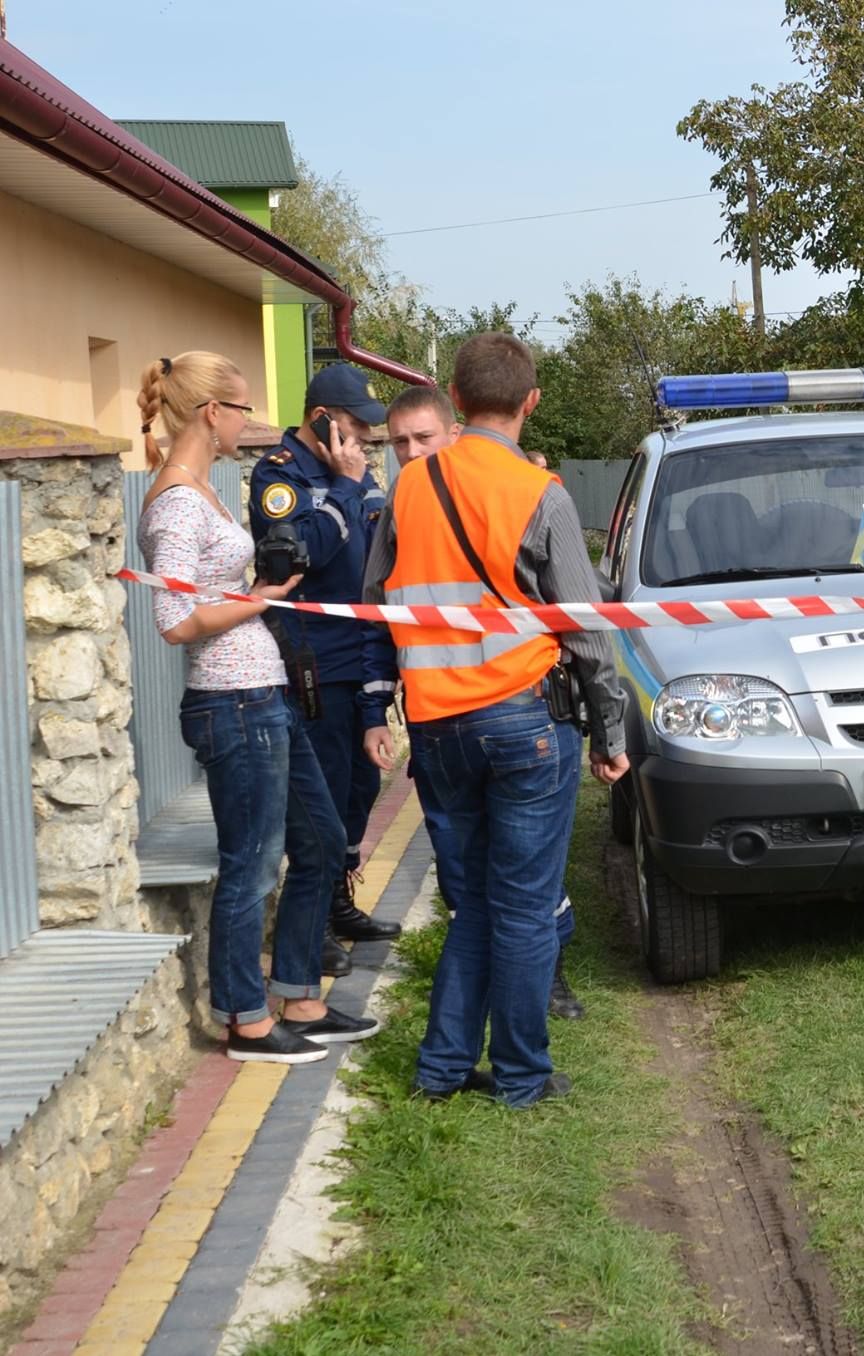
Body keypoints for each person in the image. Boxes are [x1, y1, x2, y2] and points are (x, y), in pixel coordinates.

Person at [363, 333, 629, 1107]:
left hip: (438, 730)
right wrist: (609, 734)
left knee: (474, 904)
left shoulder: (407, 489)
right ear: (531, 401)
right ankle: (521, 1075)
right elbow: (586, 627)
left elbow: (378, 597)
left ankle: (440, 1071)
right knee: (521, 908)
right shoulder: (536, 491)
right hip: (523, 724)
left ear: (455, 395)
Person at [136, 352, 379, 1063]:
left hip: (263, 692)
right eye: (242, 407)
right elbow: (175, 618)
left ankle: (299, 996)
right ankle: (246, 1017)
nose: (252, 420)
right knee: (251, 863)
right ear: (213, 412)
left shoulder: (204, 489)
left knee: (323, 840)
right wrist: (262, 598)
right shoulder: (178, 500)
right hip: (231, 702)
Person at [361, 388, 586, 1021]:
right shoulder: (407, 502)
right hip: (484, 718)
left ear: (454, 427)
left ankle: (503, 1021)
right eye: (398, 443)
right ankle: (510, 1054)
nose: (409, 454)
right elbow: (377, 615)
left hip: (470, 720)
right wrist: (374, 706)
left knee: (509, 892)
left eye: (421, 439)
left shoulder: (511, 488)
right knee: (493, 893)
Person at [248, 363, 403, 977]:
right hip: (313, 658)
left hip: (362, 647)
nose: (363, 439)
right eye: (354, 426)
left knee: (361, 786)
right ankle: (311, 923)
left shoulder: (356, 474)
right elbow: (299, 553)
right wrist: (342, 486)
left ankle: (339, 899)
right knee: (324, 799)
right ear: (320, 419)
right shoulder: (278, 477)